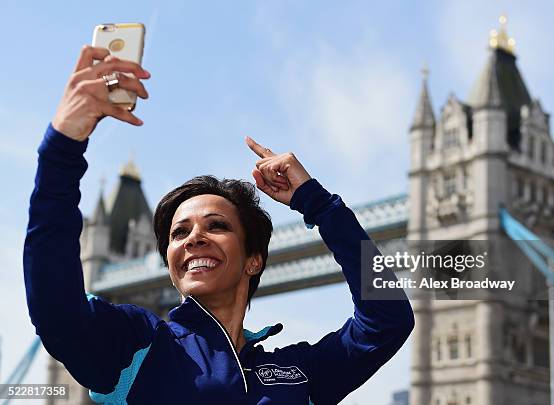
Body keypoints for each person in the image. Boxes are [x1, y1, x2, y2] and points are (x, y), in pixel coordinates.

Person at [24, 46, 414, 404]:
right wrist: (61, 148)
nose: (194, 238)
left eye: (216, 226)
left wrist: (321, 206)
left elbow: (388, 320)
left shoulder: (300, 373)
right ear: (171, 265)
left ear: (253, 260)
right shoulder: (136, 345)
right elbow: (56, 310)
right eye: (179, 233)